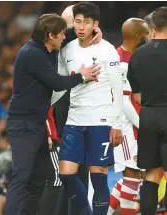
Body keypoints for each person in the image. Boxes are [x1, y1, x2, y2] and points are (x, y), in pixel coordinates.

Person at [4, 13, 101, 215]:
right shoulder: (32, 54)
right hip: (23, 125)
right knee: (21, 177)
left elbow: (67, 34)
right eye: (62, 34)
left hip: (37, 125)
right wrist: (82, 76)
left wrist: (93, 30)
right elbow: (57, 83)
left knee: (38, 178)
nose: (64, 38)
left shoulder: (46, 48)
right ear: (50, 35)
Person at [52, 2, 123, 215]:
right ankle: (86, 212)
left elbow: (117, 88)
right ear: (73, 23)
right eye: (78, 21)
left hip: (100, 120)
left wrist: (117, 124)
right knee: (66, 175)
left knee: (98, 176)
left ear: (96, 24)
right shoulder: (67, 50)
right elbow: (60, 86)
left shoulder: (107, 49)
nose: (81, 27)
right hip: (74, 120)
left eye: (87, 22)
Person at [127, 7, 167, 215]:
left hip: (148, 117)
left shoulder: (138, 55)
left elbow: (137, 97)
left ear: (153, 27)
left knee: (151, 174)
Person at [107, 18, 149, 215]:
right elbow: (124, 103)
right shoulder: (120, 61)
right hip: (126, 126)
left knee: (133, 177)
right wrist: (143, 125)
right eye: (146, 33)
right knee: (132, 176)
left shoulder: (133, 57)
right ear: (138, 36)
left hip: (134, 125)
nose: (149, 37)